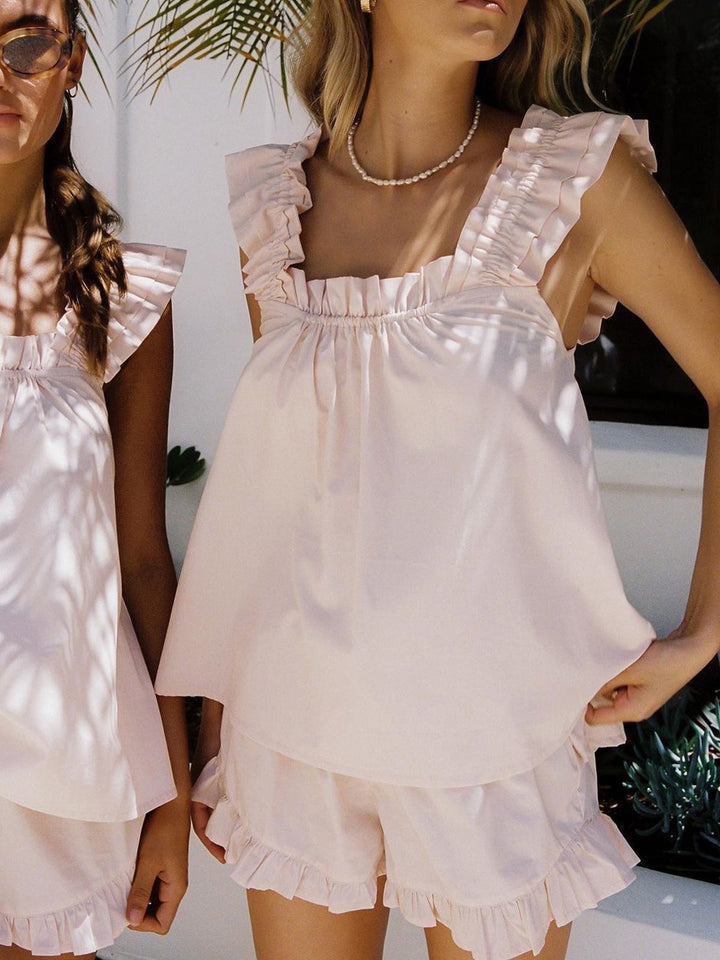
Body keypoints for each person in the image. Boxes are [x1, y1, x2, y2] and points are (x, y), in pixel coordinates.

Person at [156, 0, 720, 958]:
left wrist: (705, 631)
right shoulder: (276, 205)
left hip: (496, 742)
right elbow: (286, 498)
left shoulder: (576, 181)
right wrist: (218, 716)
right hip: (290, 737)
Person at [0, 0, 190, 956]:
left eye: (26, 42)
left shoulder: (117, 297)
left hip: (63, 774)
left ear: (71, 60)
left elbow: (143, 561)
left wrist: (172, 803)